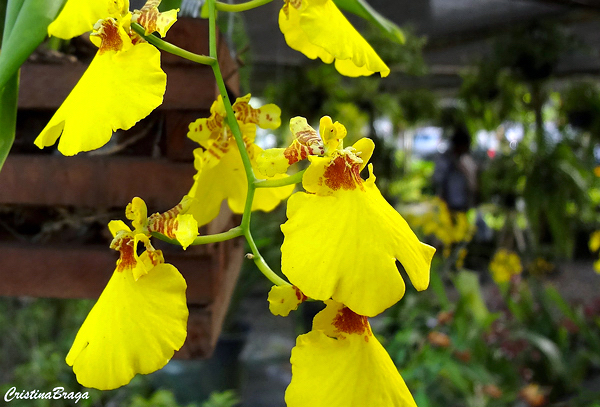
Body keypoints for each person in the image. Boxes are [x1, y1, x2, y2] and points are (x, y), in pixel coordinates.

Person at [433, 126, 478, 212]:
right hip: (448, 205)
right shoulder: (445, 160)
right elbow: (437, 179)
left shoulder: (465, 160)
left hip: (463, 205)